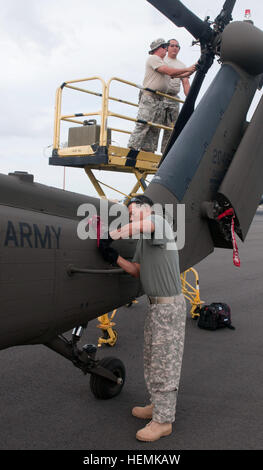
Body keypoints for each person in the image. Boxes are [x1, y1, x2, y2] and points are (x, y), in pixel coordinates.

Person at [98, 195, 187, 442]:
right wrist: (114, 257)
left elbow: (140, 226)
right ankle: (157, 406)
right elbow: (138, 270)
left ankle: (163, 421)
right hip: (156, 308)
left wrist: (112, 234)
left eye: (132, 210)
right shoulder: (145, 241)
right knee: (152, 359)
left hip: (168, 308)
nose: (130, 216)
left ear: (146, 208)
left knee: (165, 363)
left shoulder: (158, 222)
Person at [128, 38, 196, 154]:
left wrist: (195, 67)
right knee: (143, 124)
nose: (167, 49)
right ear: (158, 48)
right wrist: (188, 68)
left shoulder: (162, 62)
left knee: (155, 127)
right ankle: (132, 150)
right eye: (165, 47)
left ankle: (148, 151)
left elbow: (181, 76)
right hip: (150, 96)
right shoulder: (154, 59)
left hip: (159, 99)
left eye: (176, 46)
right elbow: (170, 72)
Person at [161, 39, 191, 154]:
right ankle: (149, 151)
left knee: (171, 128)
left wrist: (190, 99)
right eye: (172, 45)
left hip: (173, 98)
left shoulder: (182, 65)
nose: (174, 48)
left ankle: (166, 152)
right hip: (161, 96)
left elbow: (186, 83)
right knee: (155, 125)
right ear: (167, 47)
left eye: (177, 46)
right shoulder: (162, 61)